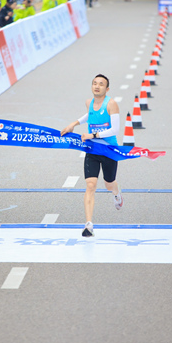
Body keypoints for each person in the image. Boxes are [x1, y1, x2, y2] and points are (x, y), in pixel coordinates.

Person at [61, 74, 123, 237]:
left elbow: (115, 130)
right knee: (90, 185)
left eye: (101, 84)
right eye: (95, 83)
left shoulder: (112, 104)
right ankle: (88, 225)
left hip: (109, 149)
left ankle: (117, 194)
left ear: (107, 89)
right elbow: (90, 115)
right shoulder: (89, 102)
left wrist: (93, 134)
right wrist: (73, 124)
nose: (97, 86)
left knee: (109, 184)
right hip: (92, 149)